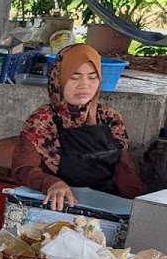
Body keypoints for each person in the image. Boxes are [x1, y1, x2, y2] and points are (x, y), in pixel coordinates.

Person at [14, 43, 147, 211]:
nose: (84, 85)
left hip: (106, 208)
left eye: (92, 77)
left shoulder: (109, 118)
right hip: (59, 209)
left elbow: (125, 172)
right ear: (59, 79)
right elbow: (23, 170)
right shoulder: (41, 122)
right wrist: (51, 183)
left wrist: (139, 208)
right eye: (74, 77)